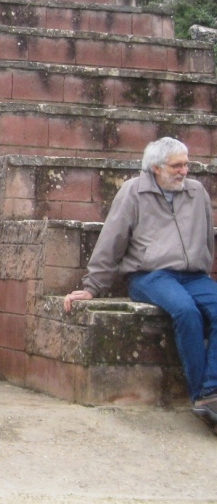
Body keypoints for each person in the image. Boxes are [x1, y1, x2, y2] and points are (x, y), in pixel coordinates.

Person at [64, 137, 217, 431]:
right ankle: (203, 397)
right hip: (150, 275)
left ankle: (211, 389)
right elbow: (113, 238)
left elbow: (206, 240)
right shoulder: (134, 191)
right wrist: (93, 285)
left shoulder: (196, 193)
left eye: (187, 164)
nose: (185, 171)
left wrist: (203, 273)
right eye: (177, 165)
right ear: (156, 168)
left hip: (195, 275)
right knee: (186, 312)